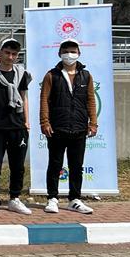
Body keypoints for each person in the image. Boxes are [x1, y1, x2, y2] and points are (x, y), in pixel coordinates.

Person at [40, 39, 97, 214]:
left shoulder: (86, 75)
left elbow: (90, 100)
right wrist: (45, 122)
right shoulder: (52, 75)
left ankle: (75, 199)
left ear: (79, 53)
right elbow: (44, 100)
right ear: (59, 54)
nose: (69, 55)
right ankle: (52, 198)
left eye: (73, 51)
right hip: (57, 128)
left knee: (76, 165)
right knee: (55, 164)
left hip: (79, 128)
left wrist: (93, 123)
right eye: (66, 51)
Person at [0, 38, 33, 215]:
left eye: (14, 54)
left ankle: (14, 198)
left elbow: (24, 97)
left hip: (17, 126)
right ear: (0, 52)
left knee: (18, 165)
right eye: (7, 52)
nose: (10, 57)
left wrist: (27, 122)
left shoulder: (22, 73)